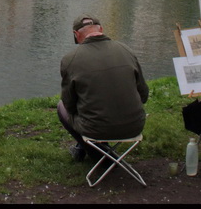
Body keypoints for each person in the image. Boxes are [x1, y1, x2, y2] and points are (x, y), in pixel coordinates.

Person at [57, 14, 149, 162]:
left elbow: (69, 104)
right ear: (101, 29)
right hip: (134, 126)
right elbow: (143, 95)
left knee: (61, 107)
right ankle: (97, 150)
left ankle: (99, 156)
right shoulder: (126, 50)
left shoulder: (70, 59)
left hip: (95, 129)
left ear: (76, 34)